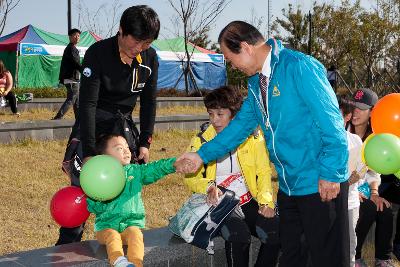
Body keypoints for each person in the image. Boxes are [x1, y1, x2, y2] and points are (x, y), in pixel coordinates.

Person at [177, 21, 349, 267]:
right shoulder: (256, 84)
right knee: (293, 256)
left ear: (245, 47)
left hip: (320, 181)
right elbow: (238, 128)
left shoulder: (299, 67)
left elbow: (332, 123)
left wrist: (331, 172)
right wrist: (201, 156)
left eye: (229, 57)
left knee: (326, 258)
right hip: (289, 187)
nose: (231, 65)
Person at [56, 5, 160, 246]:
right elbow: (88, 104)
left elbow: (149, 101)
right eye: (135, 43)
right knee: (82, 191)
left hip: (123, 131)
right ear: (121, 31)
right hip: (94, 124)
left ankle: (120, 249)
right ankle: (66, 248)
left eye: (145, 44)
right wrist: (90, 151)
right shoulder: (98, 52)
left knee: (124, 196)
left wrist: (145, 141)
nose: (139, 49)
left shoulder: (150, 58)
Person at [184, 86, 280, 267]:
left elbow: (264, 171)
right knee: (239, 236)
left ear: (234, 115)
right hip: (219, 205)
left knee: (275, 231)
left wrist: (266, 202)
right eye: (211, 114)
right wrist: (209, 187)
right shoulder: (201, 140)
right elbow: (190, 177)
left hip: (247, 200)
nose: (214, 120)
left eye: (220, 114)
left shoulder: (253, 137)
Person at [87, 134, 188, 267]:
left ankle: (135, 264)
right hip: (106, 227)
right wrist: (98, 198)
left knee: (136, 235)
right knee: (113, 236)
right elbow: (92, 207)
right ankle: (118, 261)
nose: (126, 150)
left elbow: (155, 169)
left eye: (127, 147)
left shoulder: (135, 172)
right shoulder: (99, 178)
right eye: (119, 148)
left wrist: (173, 164)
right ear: (104, 157)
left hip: (130, 224)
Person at [348, 88, 394, 267]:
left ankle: (383, 259)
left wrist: (374, 192)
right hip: (343, 186)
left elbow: (373, 171)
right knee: (366, 208)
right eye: (353, 106)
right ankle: (355, 256)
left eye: (361, 108)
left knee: (384, 208)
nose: (355, 112)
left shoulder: (376, 136)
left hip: (363, 186)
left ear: (372, 112)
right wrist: (354, 191)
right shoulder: (342, 130)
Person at [53, 28, 82, 120]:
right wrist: (85, 71)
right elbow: (76, 63)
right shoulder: (71, 48)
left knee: (77, 100)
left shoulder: (71, 48)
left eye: (78, 36)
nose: (77, 37)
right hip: (71, 78)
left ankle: (79, 119)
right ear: (70, 37)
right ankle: (58, 117)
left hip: (73, 78)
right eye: (75, 35)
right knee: (72, 98)